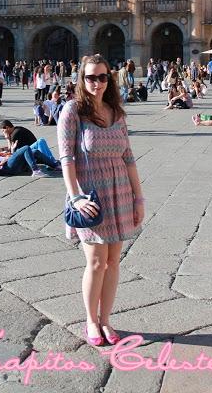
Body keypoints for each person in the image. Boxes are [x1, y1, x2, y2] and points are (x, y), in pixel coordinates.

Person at [57, 54, 144, 346]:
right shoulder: (72, 111)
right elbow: (66, 159)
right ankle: (91, 321)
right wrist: (75, 197)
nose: (97, 82)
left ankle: (106, 320)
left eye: (102, 77)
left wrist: (138, 197)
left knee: (113, 262)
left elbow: (128, 157)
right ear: (81, 80)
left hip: (120, 192)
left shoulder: (116, 111)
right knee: (96, 262)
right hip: (90, 196)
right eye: (91, 77)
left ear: (110, 78)